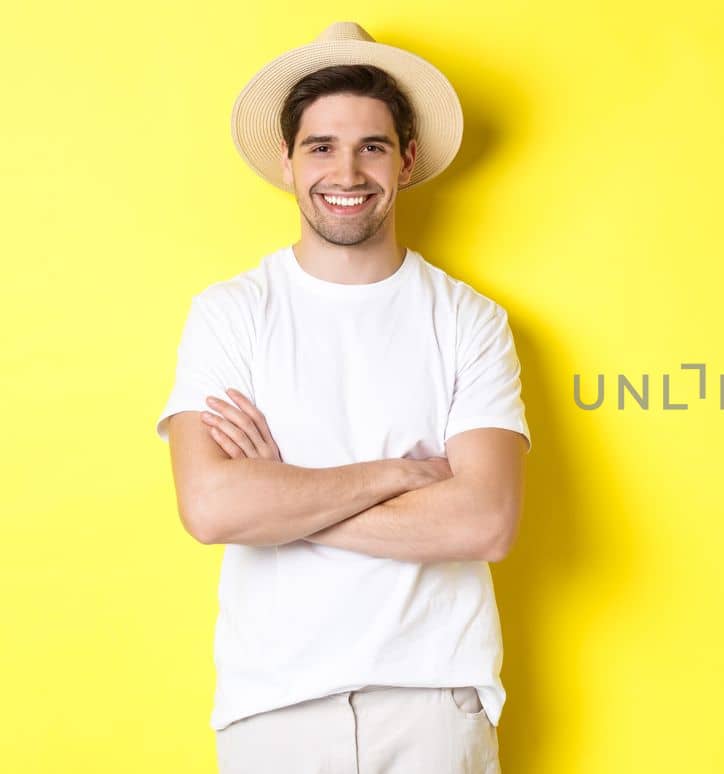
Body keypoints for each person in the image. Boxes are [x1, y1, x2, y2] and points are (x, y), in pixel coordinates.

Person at [155, 21, 527, 774]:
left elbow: (486, 521)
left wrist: (285, 494)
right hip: (275, 709)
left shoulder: (469, 320)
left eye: (372, 146)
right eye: (321, 146)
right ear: (288, 162)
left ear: (407, 160)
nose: (346, 172)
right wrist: (399, 473)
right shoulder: (230, 313)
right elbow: (213, 510)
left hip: (434, 702)